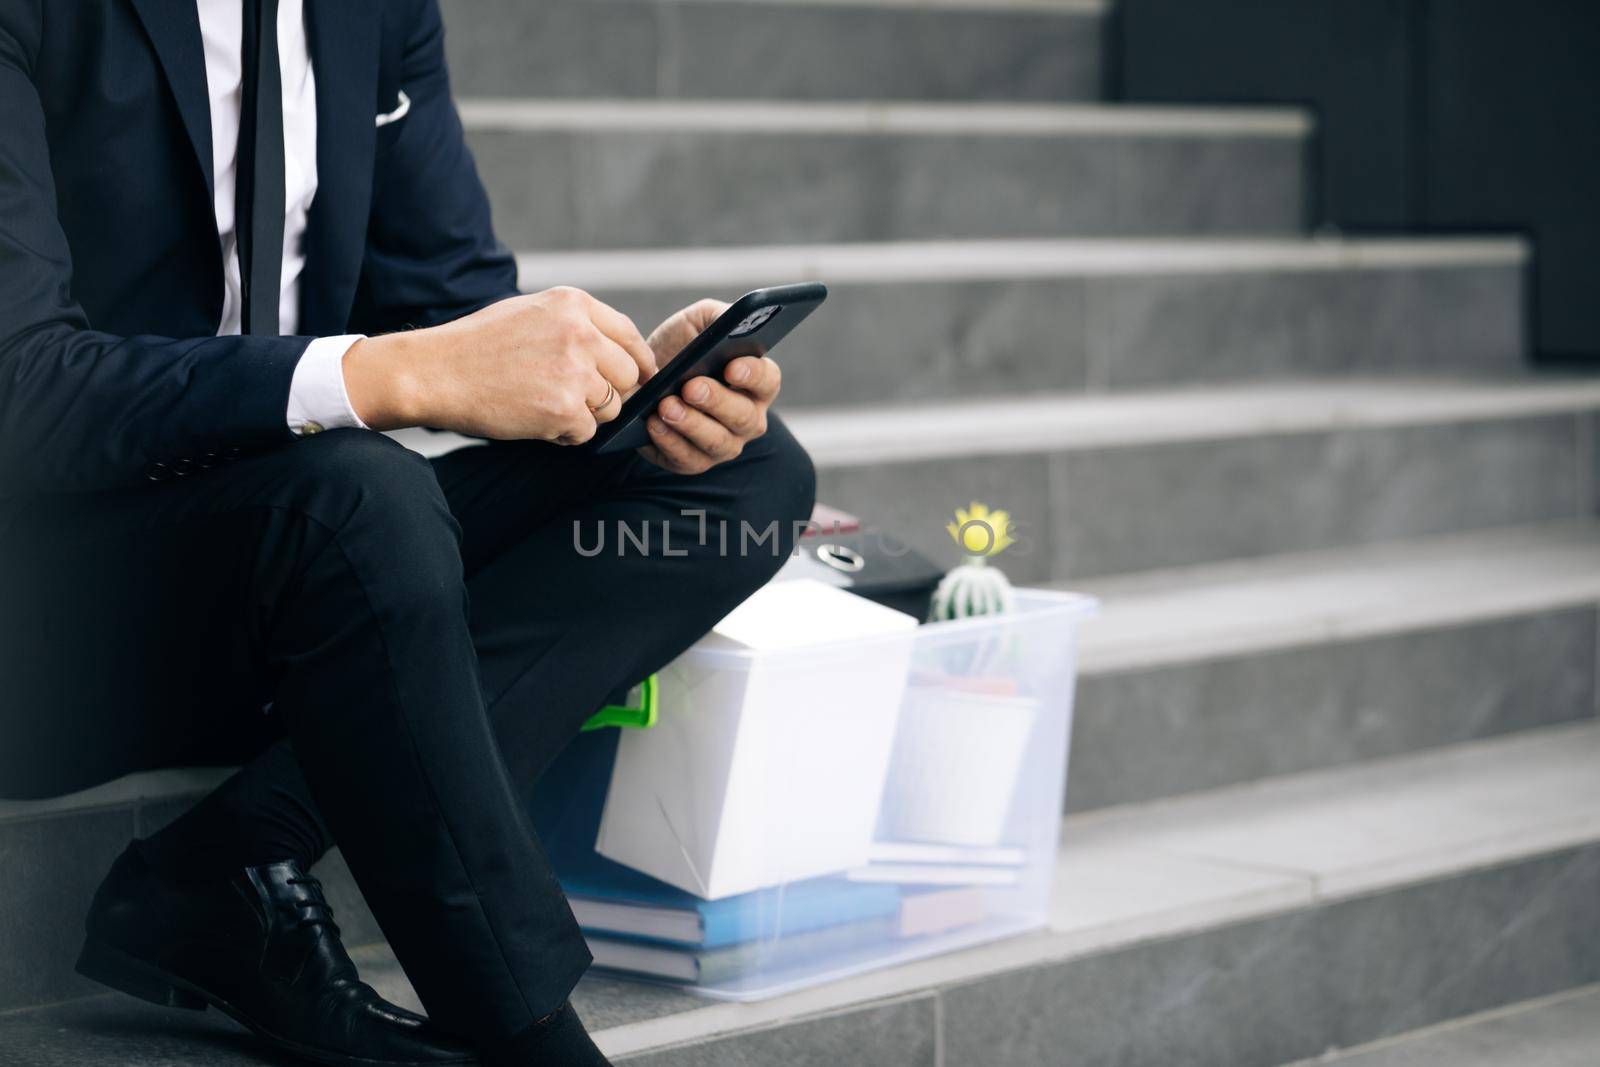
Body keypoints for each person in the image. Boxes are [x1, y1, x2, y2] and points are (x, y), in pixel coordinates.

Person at [0, 1, 815, 1064]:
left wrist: (623, 394)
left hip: (281, 569)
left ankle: (236, 853)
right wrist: (393, 373)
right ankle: (526, 1032)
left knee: (744, 471)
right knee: (358, 497)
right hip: (47, 621)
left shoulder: (369, 12)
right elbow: (20, 387)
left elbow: (455, 306)